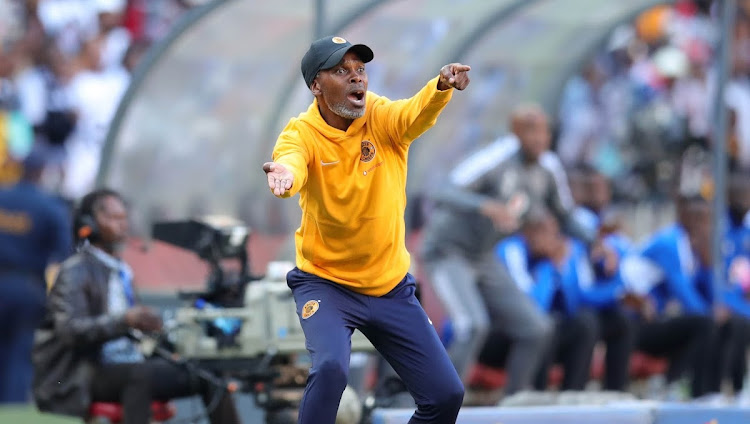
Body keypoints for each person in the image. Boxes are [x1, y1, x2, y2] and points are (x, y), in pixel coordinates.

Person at [262, 36, 469, 424]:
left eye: (360, 70)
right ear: (316, 86)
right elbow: (291, 161)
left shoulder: (379, 116)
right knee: (331, 370)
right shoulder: (301, 132)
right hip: (326, 283)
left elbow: (412, 114)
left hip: (389, 285)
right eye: (342, 71)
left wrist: (439, 88)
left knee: (446, 395)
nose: (357, 79)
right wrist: (285, 175)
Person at [418, 104, 592, 394]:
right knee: (472, 325)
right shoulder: (495, 158)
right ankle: (439, 403)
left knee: (536, 328)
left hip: (483, 257)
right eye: (531, 131)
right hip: (447, 251)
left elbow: (566, 215)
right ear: (515, 133)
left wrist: (595, 242)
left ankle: (512, 403)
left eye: (544, 131)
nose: (539, 138)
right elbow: (441, 190)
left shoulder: (548, 168)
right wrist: (484, 205)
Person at [32, 189, 241, 424]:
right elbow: (69, 331)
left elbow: (133, 328)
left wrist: (153, 328)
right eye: (113, 218)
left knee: (208, 373)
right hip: (86, 371)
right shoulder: (75, 271)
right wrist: (125, 320)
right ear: (88, 223)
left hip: (129, 363)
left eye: (124, 218)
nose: (122, 225)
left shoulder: (121, 270)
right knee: (138, 376)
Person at [496, 209, 598, 391]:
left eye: (556, 233)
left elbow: (572, 307)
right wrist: (549, 267)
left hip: (537, 331)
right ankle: (536, 397)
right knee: (544, 326)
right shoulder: (511, 250)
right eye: (547, 233)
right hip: (498, 334)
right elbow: (531, 308)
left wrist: (560, 269)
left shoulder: (548, 257)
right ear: (529, 232)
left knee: (584, 323)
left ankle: (573, 396)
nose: (554, 240)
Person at [0, 150, 71, 403]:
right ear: (42, 172)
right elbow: (64, 253)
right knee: (21, 354)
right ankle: (11, 409)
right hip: (27, 287)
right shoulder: (48, 206)